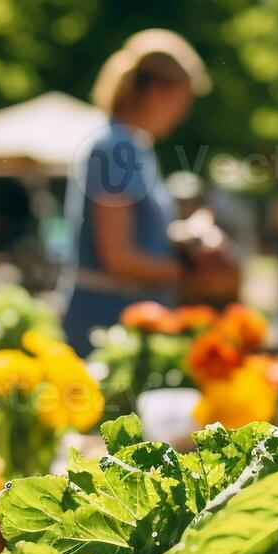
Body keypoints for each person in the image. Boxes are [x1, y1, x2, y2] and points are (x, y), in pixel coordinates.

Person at [63, 29, 214, 345]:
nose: (183, 114)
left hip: (121, 321)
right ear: (159, 92)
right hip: (107, 324)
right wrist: (198, 273)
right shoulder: (117, 148)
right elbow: (118, 257)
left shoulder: (134, 146)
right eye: (182, 100)